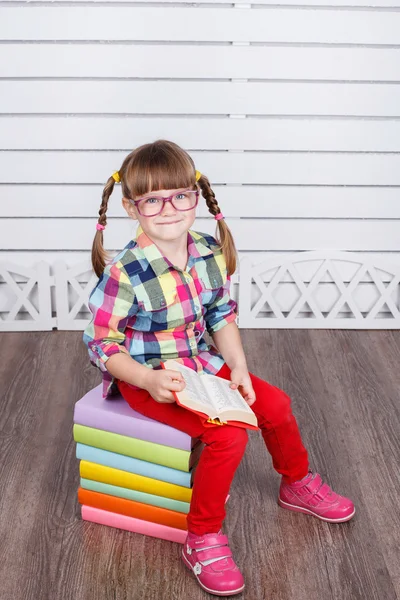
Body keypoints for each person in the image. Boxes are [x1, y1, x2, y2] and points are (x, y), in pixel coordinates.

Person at [83, 140, 355, 597]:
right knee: (226, 436)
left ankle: (297, 482)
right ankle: (202, 535)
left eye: (179, 196)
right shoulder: (124, 272)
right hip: (148, 378)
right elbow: (101, 343)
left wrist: (240, 368)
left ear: (196, 196)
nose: (168, 209)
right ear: (133, 208)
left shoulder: (208, 252)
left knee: (276, 405)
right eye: (152, 199)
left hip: (201, 364)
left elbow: (220, 316)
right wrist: (148, 380)